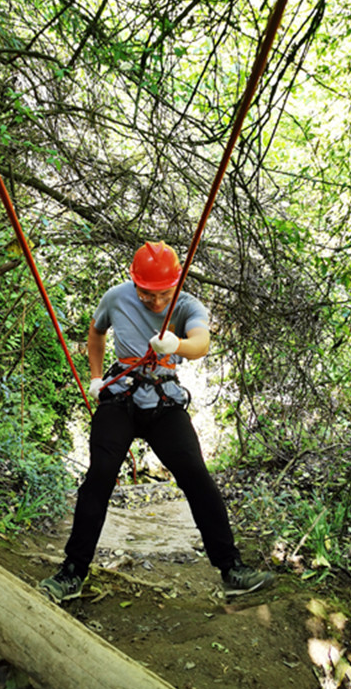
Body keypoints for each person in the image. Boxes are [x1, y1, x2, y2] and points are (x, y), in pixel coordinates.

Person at [40, 241, 274, 603]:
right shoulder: (116, 297)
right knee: (99, 476)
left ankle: (231, 569)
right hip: (119, 397)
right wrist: (96, 377)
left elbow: (201, 343)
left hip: (164, 403)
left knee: (196, 476)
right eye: (147, 294)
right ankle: (72, 572)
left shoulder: (186, 304)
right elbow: (96, 331)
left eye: (163, 293)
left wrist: (176, 344)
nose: (156, 302)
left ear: (176, 284)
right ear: (134, 284)